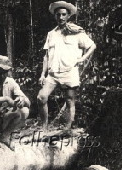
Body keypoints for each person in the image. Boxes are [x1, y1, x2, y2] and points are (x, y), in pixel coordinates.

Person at [37, 1, 96, 131]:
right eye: (58, 15)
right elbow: (46, 56)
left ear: (68, 16)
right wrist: (42, 74)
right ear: (55, 16)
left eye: (64, 14)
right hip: (53, 74)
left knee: (70, 100)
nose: (61, 17)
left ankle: (68, 128)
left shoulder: (76, 32)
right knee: (41, 97)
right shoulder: (51, 34)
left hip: (69, 72)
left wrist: (83, 59)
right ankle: (44, 128)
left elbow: (92, 46)